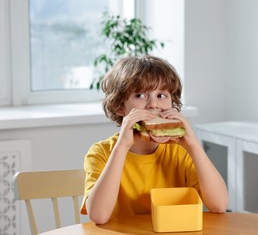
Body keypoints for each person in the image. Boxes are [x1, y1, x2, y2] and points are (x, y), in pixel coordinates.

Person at [80, 55, 228, 224]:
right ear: (119, 107)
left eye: (161, 95)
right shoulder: (101, 153)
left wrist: (193, 145)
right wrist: (122, 146)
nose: (153, 104)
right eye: (140, 95)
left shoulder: (181, 150)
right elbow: (98, 216)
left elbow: (219, 205)